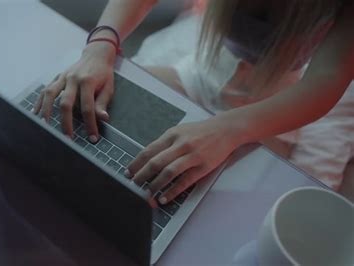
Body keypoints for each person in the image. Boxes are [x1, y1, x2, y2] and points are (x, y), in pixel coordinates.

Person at [33, 0, 354, 204]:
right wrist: (101, 43)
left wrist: (228, 130)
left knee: (226, 207)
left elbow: (326, 79)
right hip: (202, 75)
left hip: (272, 106)